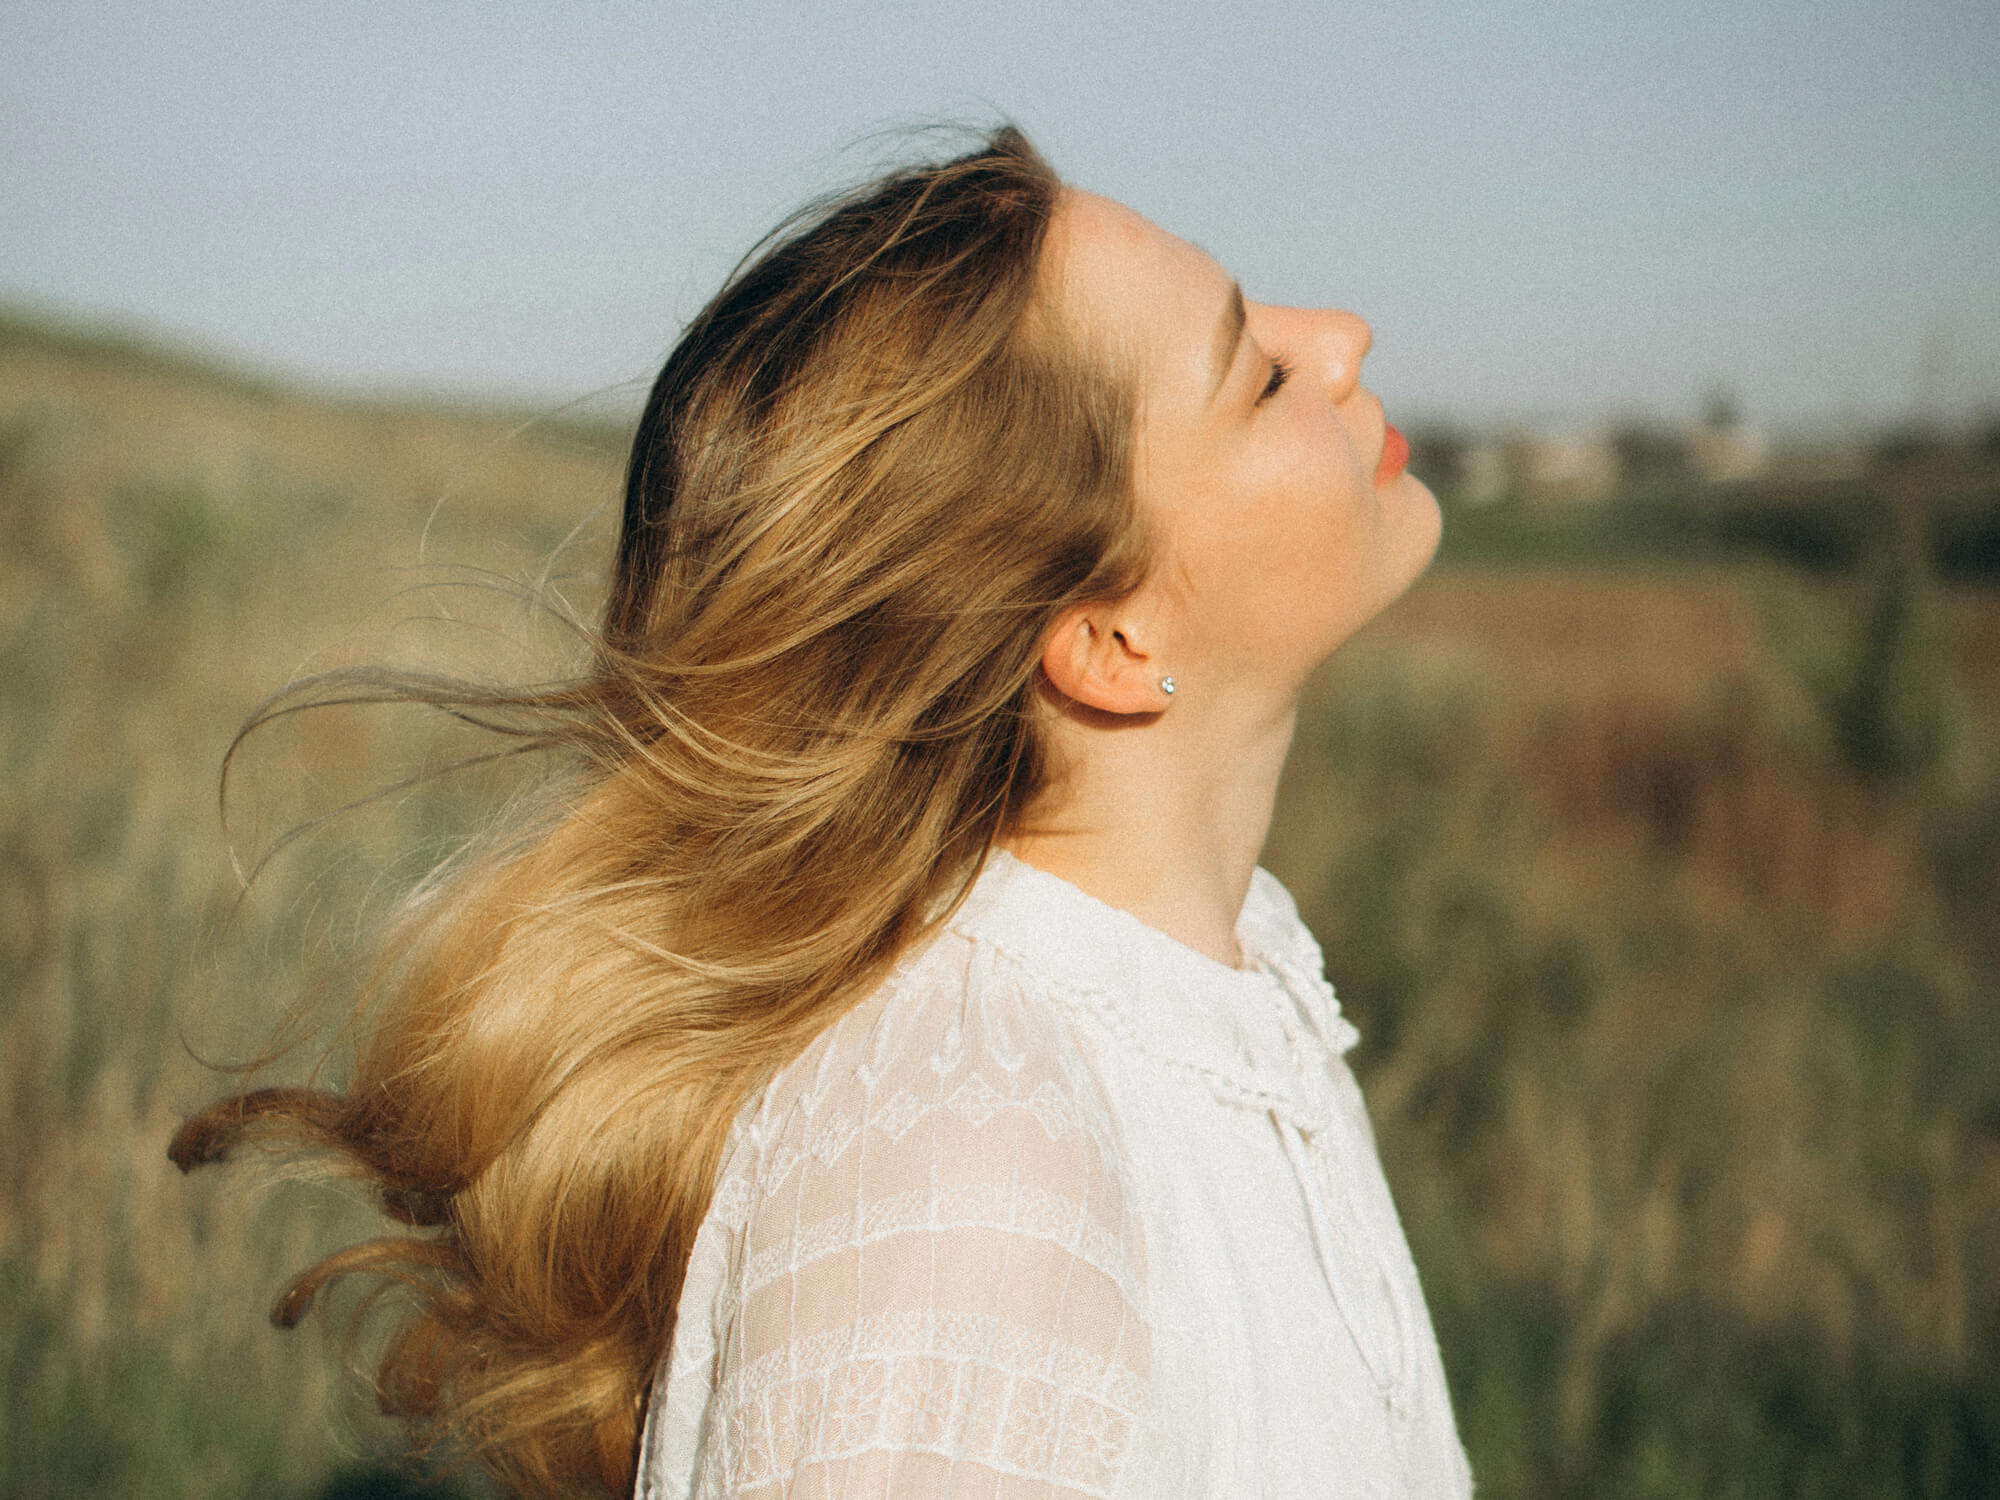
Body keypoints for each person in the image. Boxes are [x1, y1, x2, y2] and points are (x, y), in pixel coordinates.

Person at [172, 125, 1472, 1499]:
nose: (1342, 340)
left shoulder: (1226, 993)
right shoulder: (959, 1158)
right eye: (1258, 377)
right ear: (1105, 637)